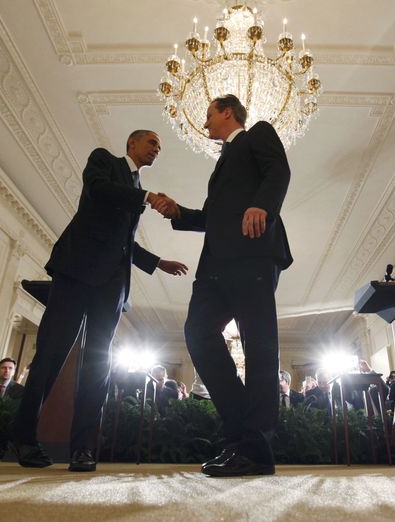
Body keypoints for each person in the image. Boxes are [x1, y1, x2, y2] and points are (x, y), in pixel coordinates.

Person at [9, 130, 188, 472]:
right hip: (76, 272)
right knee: (51, 353)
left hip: (111, 286)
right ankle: (23, 437)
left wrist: (156, 262)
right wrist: (148, 197)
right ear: (131, 144)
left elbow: (122, 242)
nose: (156, 150)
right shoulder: (104, 161)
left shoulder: (135, 191)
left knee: (98, 364)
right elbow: (98, 191)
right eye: (152, 143)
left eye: (160, 147)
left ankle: (83, 449)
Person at [157, 94, 292, 477]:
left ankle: (256, 450)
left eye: (209, 114)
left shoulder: (257, 135)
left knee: (259, 346)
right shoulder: (222, 163)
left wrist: (262, 205)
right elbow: (216, 217)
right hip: (215, 264)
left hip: (253, 252)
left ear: (227, 112)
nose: (204, 123)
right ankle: (239, 434)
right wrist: (178, 213)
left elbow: (279, 171)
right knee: (197, 333)